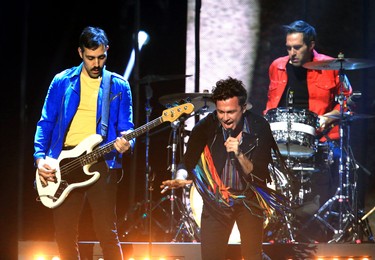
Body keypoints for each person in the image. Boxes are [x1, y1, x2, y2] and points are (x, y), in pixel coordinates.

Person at [34, 26, 134, 259]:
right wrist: (40, 158)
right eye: (90, 58)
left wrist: (127, 143)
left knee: (108, 233)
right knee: (65, 234)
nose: (96, 64)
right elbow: (45, 122)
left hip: (102, 161)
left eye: (101, 57)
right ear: (80, 53)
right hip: (64, 162)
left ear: (107, 51)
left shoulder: (119, 85)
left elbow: (126, 126)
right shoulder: (62, 81)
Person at [161, 77, 276, 260]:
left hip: (250, 199)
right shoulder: (207, 125)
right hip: (217, 200)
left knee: (252, 255)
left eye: (230, 112)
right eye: (220, 112)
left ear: (244, 108)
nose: (225, 118)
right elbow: (188, 160)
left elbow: (260, 173)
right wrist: (181, 176)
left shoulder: (259, 126)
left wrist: (239, 153)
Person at [264, 20, 352, 239]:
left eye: (297, 47)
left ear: (311, 45)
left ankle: (322, 228)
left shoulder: (331, 66)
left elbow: (348, 102)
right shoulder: (278, 66)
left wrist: (329, 118)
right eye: (288, 47)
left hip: (320, 140)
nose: (292, 53)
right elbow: (270, 104)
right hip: (281, 139)